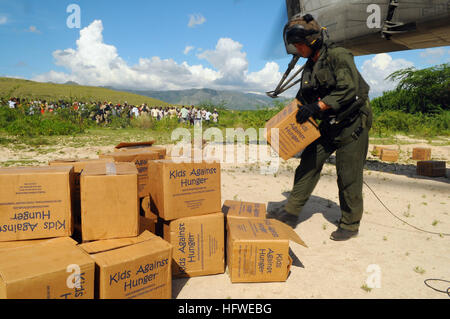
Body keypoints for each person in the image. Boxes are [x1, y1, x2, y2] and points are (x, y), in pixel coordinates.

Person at [267, 14, 373, 241]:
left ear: (313, 40)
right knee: (308, 163)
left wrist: (318, 106)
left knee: (348, 176)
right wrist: (283, 127)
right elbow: (302, 100)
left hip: (352, 124)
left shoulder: (339, 56)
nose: (297, 48)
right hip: (327, 124)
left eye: (299, 44)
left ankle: (350, 223)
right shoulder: (309, 68)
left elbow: (349, 89)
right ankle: (291, 211)